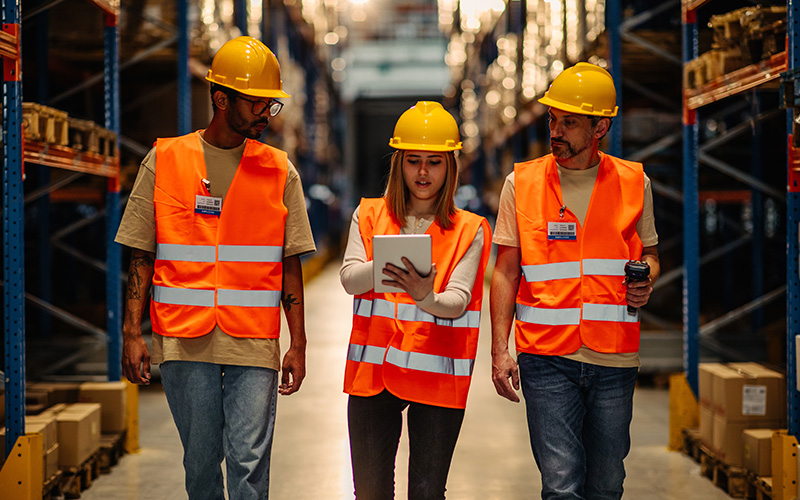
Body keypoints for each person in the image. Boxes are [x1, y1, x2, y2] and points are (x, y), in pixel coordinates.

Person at [116, 36, 315, 500]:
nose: (267, 115)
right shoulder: (164, 160)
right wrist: (131, 333)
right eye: (257, 104)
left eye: (271, 105)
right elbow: (142, 252)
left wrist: (298, 342)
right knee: (201, 465)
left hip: (252, 341)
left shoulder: (280, 170)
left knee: (248, 464)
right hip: (185, 342)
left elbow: (290, 264)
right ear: (221, 100)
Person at [490, 62, 661, 500]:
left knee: (607, 485)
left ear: (601, 126)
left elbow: (651, 255)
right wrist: (499, 350)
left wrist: (648, 280)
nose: (556, 130)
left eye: (569, 122)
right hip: (545, 356)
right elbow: (506, 271)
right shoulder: (521, 183)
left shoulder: (634, 182)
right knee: (562, 485)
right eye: (553, 119)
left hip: (614, 357)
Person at [340, 101, 492, 500]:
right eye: (413, 161)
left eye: (435, 162)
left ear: (450, 167)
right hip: (373, 376)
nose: (423, 172)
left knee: (426, 493)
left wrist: (425, 295)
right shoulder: (369, 215)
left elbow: (457, 301)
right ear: (399, 164)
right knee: (370, 493)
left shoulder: (469, 229)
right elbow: (349, 280)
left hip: (437, 373)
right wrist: (383, 265)